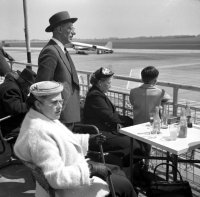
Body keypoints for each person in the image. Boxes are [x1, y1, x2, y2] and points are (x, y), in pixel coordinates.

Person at [14, 81, 137, 197]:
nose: (59, 107)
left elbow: (61, 140)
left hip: (71, 168)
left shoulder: (41, 118)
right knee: (124, 185)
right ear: (38, 104)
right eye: (54, 102)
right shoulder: (38, 133)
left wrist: (88, 139)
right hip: (68, 189)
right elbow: (56, 178)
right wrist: (91, 169)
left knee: (117, 170)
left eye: (60, 102)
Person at [83, 67, 143, 167]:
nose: (110, 86)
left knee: (134, 144)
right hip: (98, 134)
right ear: (100, 83)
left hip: (103, 130)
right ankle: (122, 170)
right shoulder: (95, 96)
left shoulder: (96, 93)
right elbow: (109, 116)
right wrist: (130, 121)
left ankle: (123, 167)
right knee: (136, 146)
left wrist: (123, 122)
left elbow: (109, 116)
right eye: (108, 83)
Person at [35, 11, 80, 130]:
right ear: (59, 29)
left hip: (68, 114)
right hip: (59, 117)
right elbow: (42, 86)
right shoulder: (50, 51)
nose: (74, 32)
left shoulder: (61, 49)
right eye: (70, 28)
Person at [129, 66, 171, 169]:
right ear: (155, 79)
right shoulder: (160, 92)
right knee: (149, 144)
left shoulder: (133, 91)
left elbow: (132, 102)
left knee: (138, 143)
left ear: (142, 78)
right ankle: (147, 163)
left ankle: (139, 162)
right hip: (152, 123)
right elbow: (168, 99)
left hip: (137, 122)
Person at [0, 68, 36, 137]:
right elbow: (17, 109)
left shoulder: (13, 84)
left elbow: (20, 101)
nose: (29, 89)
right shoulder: (11, 89)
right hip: (9, 127)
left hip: (11, 121)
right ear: (24, 82)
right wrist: (32, 103)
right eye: (29, 86)